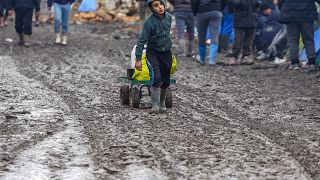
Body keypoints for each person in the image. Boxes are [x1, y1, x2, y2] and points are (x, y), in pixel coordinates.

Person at [135, 0, 173, 114]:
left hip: (166, 53)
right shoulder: (149, 22)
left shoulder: (169, 17)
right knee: (157, 78)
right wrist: (138, 59)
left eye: (161, 4)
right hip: (153, 53)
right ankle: (155, 106)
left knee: (166, 80)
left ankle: (162, 104)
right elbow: (141, 40)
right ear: (152, 8)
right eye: (156, 6)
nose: (160, 7)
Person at [278, 0, 320, 71]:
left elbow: (280, 2)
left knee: (293, 40)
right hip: (307, 16)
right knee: (308, 39)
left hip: (291, 16)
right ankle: (311, 62)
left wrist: (286, 9)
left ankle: (294, 63)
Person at [191, 0, 225, 65]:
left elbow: (194, 2)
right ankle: (211, 60)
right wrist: (219, 9)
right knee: (214, 36)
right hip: (216, 11)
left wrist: (195, 12)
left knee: (201, 37)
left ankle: (202, 59)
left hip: (201, 12)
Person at [227, 0, 260, 65]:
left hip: (252, 19)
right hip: (239, 18)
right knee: (237, 40)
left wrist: (257, 3)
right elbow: (231, 3)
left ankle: (246, 56)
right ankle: (234, 56)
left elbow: (260, 3)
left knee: (249, 40)